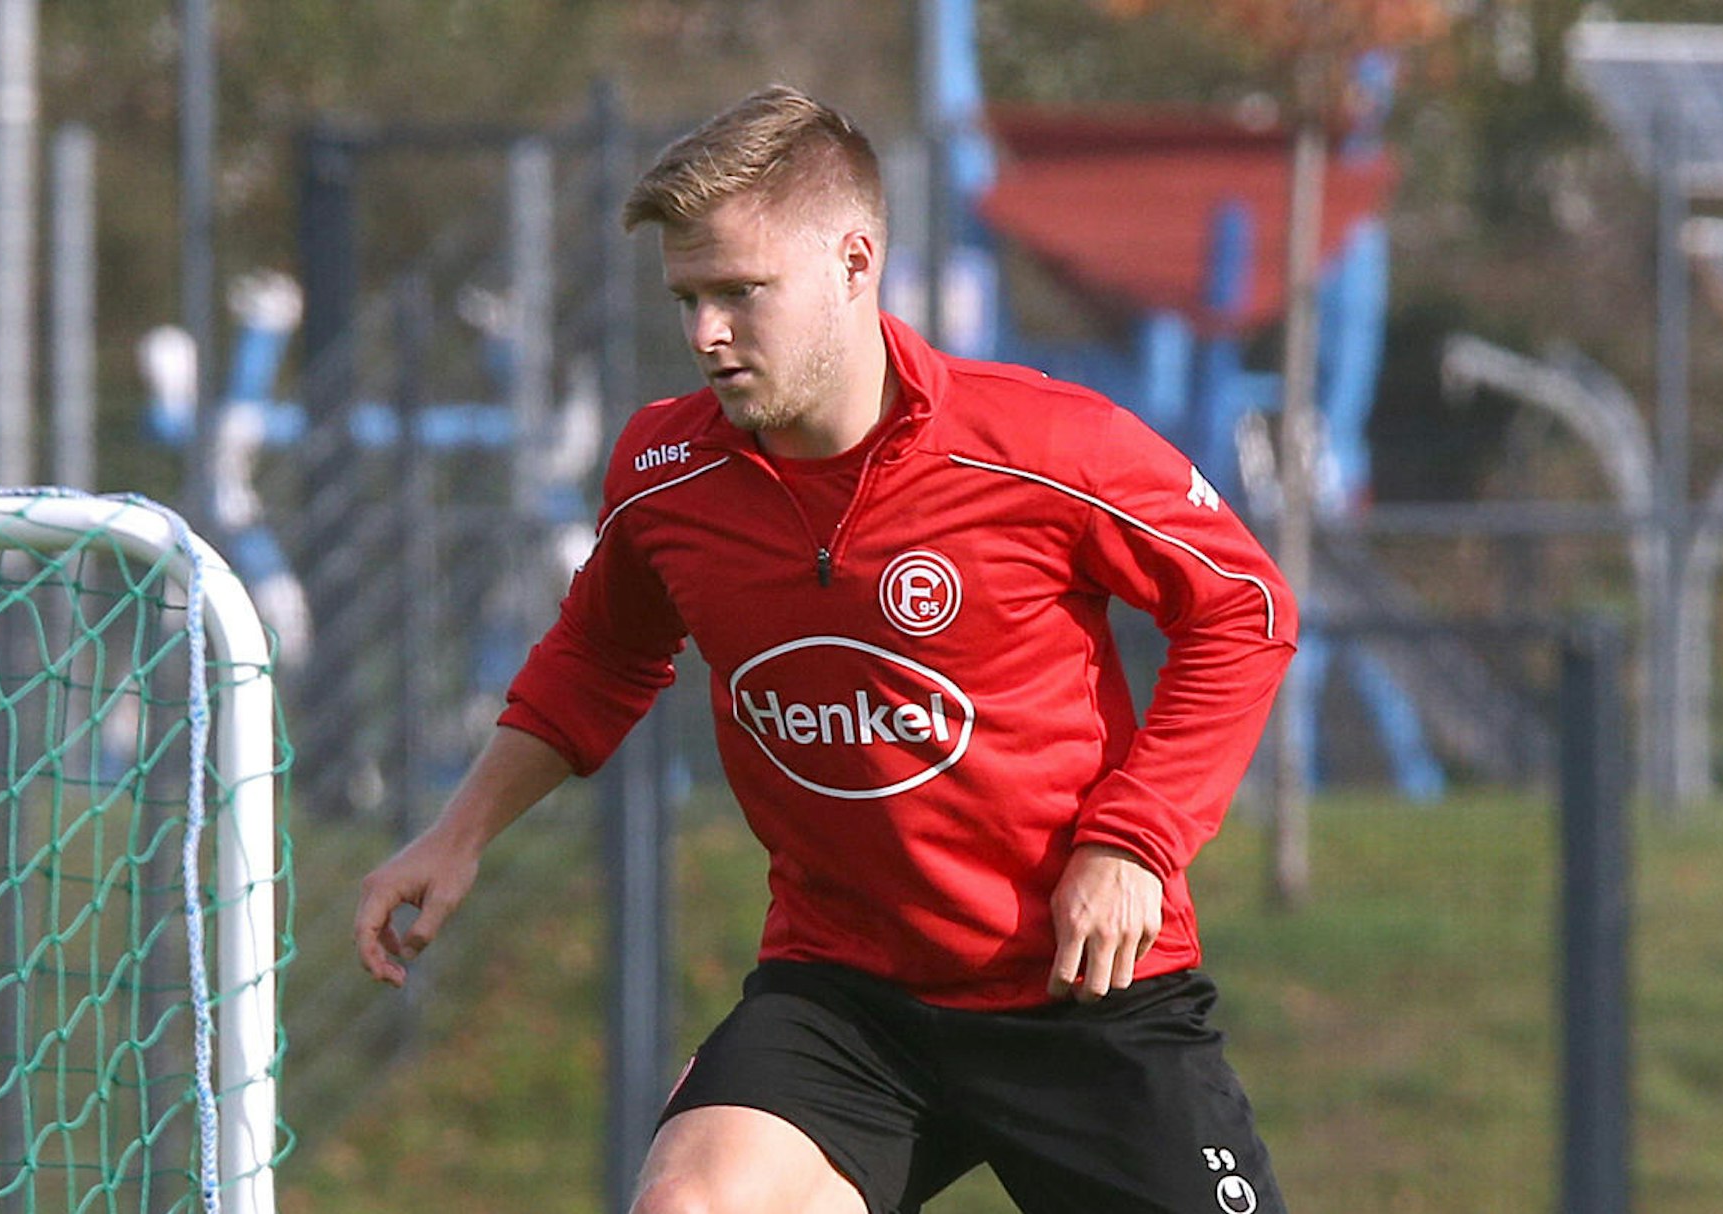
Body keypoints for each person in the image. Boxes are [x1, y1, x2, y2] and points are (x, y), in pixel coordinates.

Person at [355, 84, 1298, 1214]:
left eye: (740, 293)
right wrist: (456, 835)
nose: (706, 332)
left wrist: (1135, 842)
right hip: (847, 997)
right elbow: (600, 656)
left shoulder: (1041, 444)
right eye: (687, 297)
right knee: (692, 1205)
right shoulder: (666, 475)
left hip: (1077, 989)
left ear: (855, 263)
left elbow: (1243, 603)